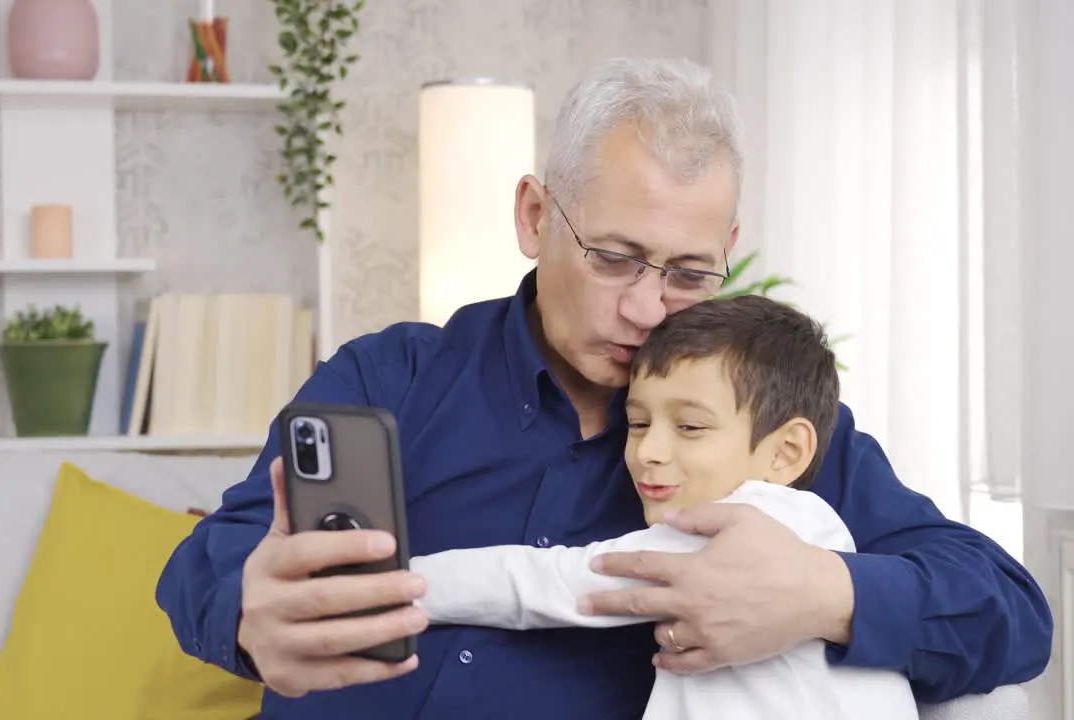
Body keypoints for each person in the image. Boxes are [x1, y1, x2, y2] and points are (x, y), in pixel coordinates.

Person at [155, 57, 1052, 718]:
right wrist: (250, 608)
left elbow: (1008, 611)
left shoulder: (765, 433)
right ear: (537, 216)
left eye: (692, 273)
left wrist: (825, 597)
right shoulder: (392, 374)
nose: (649, 308)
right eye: (617, 258)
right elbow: (211, 563)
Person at [409, 293, 919, 720]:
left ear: (786, 453)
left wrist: (398, 585)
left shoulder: (737, 528)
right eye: (636, 423)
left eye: (690, 427)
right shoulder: (818, 526)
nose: (647, 450)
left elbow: (545, 583)